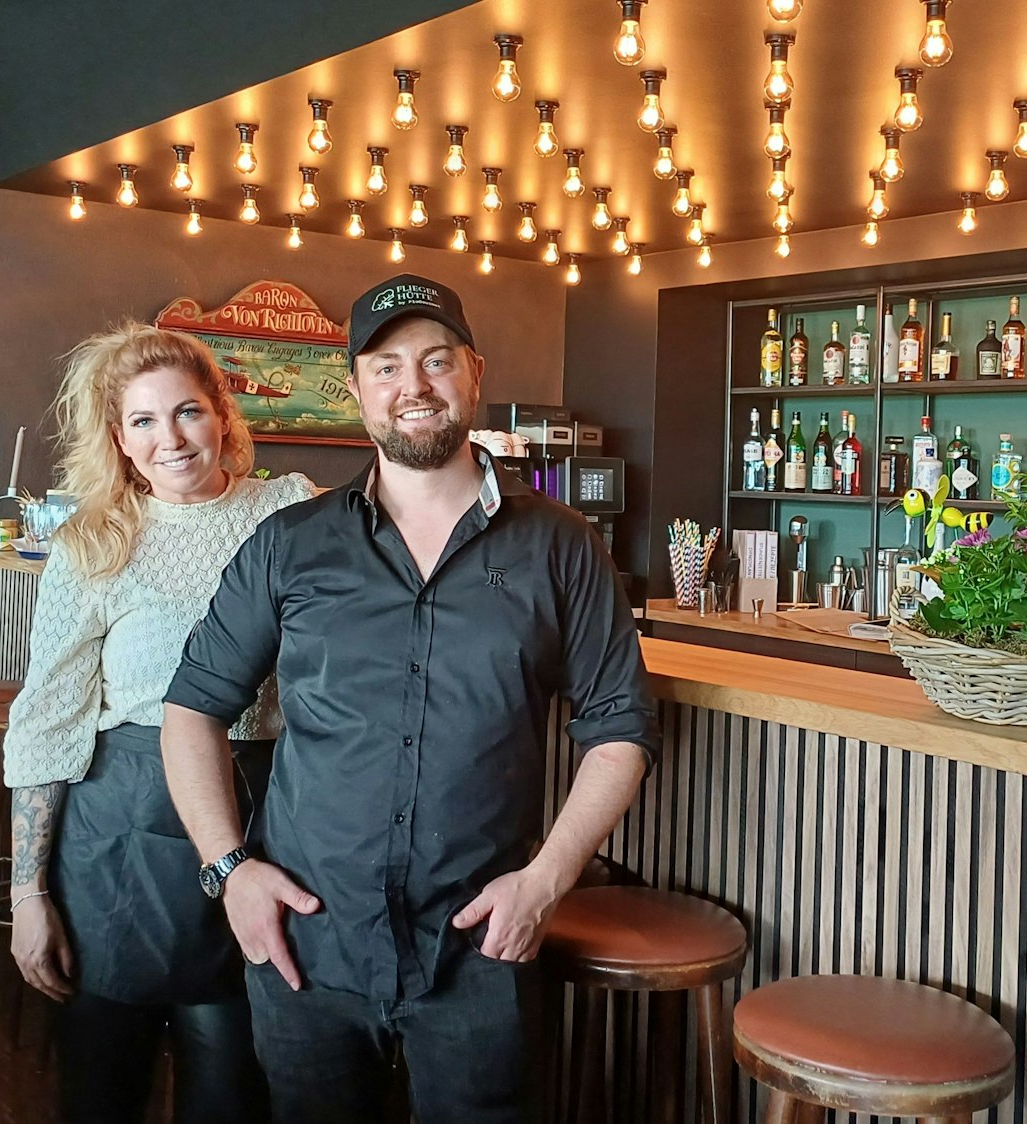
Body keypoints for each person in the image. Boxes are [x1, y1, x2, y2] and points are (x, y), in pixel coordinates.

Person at [159, 274, 659, 1124]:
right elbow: (191, 706)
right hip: (306, 941)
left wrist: (545, 880)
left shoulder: (561, 548)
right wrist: (229, 870)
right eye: (385, 368)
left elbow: (619, 728)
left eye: (435, 361)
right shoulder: (289, 544)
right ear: (355, 390)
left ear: (474, 372)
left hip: (480, 943)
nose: (413, 386)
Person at [3, 321, 312, 1124]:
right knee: (105, 1074)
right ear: (119, 439)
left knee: (235, 1071)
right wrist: (27, 892)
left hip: (265, 810)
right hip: (125, 825)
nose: (170, 438)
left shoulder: (290, 512)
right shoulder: (95, 541)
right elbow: (46, 722)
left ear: (221, 414)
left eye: (186, 412)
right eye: (143, 421)